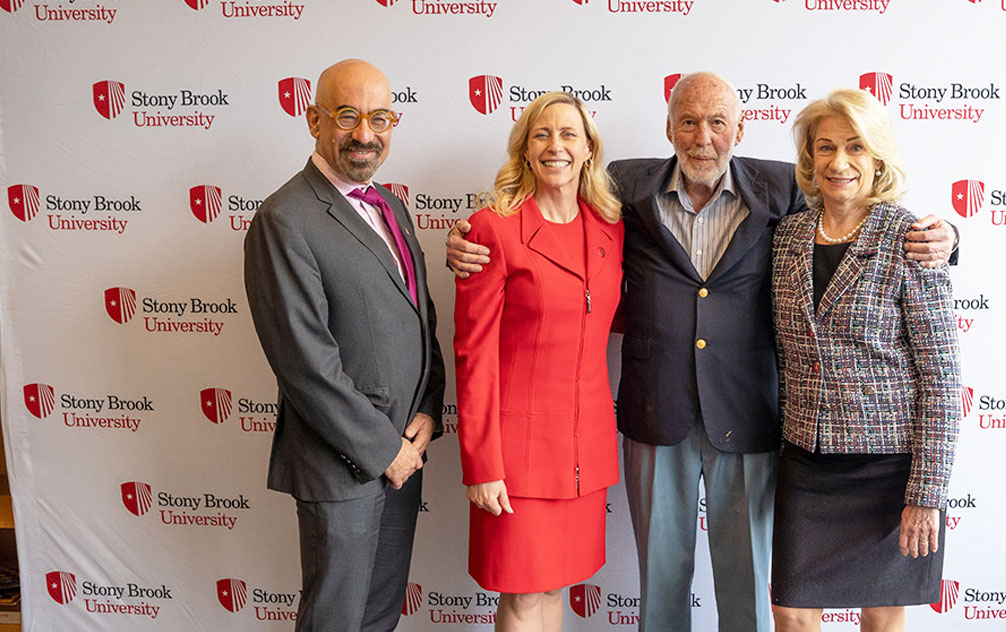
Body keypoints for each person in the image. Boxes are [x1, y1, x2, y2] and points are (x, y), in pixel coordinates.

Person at [447, 72, 957, 632]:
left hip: (748, 413)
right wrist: (470, 240)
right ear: (668, 127)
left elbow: (858, 208)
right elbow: (551, 213)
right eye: (688, 122)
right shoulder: (624, 186)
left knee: (749, 586)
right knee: (660, 582)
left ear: (740, 127)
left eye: (717, 122)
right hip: (654, 410)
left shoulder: (785, 187)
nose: (702, 137)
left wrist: (949, 237)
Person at [243, 59, 445, 632]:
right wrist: (385, 450)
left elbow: (418, 319)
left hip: (404, 453)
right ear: (313, 120)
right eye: (348, 116)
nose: (365, 134)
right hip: (345, 466)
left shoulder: (390, 205)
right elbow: (304, 364)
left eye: (379, 118)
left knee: (379, 617)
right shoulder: (285, 218)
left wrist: (429, 405)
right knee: (335, 621)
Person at [769, 88, 961, 632]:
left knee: (881, 614)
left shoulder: (912, 238)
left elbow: (942, 378)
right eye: (825, 148)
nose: (839, 162)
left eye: (855, 147)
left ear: (877, 158)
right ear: (809, 159)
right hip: (807, 459)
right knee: (792, 611)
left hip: (889, 467)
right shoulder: (787, 237)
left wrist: (926, 493)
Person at [453, 91, 624, 631]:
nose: (556, 147)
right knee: (523, 599)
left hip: (584, 450)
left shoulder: (612, 228)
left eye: (569, 134)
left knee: (556, 589)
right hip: (516, 456)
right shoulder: (491, 230)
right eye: (542, 135)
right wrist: (482, 464)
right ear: (525, 150)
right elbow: (472, 354)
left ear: (589, 149)